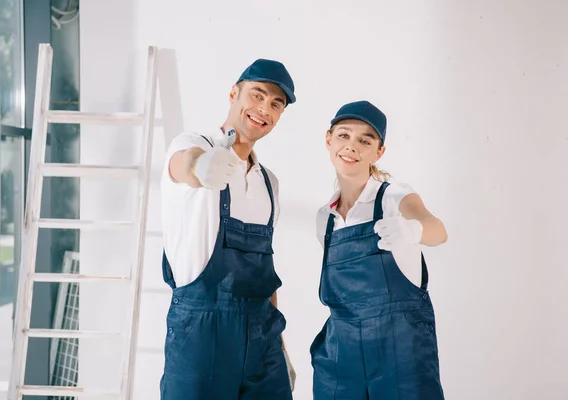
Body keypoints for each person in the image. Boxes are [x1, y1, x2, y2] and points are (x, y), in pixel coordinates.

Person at [159, 59, 296, 400]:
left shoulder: (269, 183)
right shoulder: (197, 144)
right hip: (201, 334)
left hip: (262, 336)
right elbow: (181, 165)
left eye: (276, 104)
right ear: (234, 93)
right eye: (257, 95)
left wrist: (279, 346)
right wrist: (200, 166)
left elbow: (265, 268)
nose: (264, 108)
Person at [310, 100, 448, 399]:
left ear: (379, 152)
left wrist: (412, 230)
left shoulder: (393, 196)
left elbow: (437, 230)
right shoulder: (326, 218)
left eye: (365, 140)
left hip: (400, 357)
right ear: (328, 140)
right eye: (344, 136)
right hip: (339, 360)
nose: (352, 147)